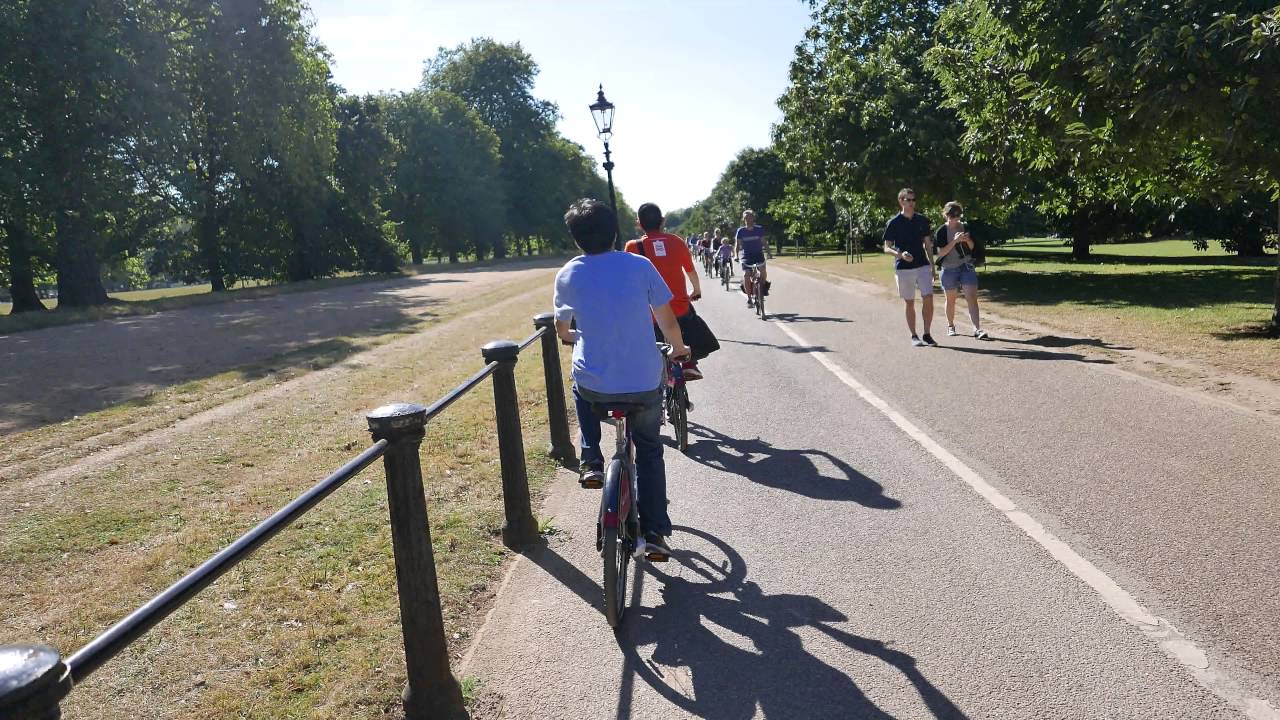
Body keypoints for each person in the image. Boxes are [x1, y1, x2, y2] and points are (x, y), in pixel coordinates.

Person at [554, 199, 689, 558]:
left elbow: (562, 328)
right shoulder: (640, 265)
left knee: (579, 382)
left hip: (596, 386)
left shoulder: (568, 273)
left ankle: (591, 460)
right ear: (615, 232)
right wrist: (678, 349)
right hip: (643, 381)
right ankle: (656, 531)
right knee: (648, 449)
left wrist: (573, 338)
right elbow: (667, 320)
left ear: (575, 238)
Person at [625, 203, 705, 380]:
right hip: (679, 310)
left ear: (639, 223)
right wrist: (696, 290)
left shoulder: (632, 247)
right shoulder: (677, 241)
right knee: (689, 315)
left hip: (651, 315)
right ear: (662, 221)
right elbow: (690, 271)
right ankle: (690, 364)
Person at [882, 188, 937, 347]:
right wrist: (900, 255)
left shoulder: (922, 220)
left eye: (913, 200)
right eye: (908, 200)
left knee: (928, 298)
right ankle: (914, 335)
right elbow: (886, 247)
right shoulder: (893, 223)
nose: (912, 203)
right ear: (901, 201)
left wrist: (932, 266)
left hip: (922, 265)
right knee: (910, 302)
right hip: (904, 267)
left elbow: (927, 244)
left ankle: (927, 334)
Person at [934, 201, 989, 339]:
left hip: (966, 266)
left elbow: (971, 247)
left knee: (971, 296)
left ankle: (977, 329)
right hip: (949, 268)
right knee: (951, 299)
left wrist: (966, 240)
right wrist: (954, 241)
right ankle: (950, 326)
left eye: (957, 216)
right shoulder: (941, 231)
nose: (955, 219)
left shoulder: (965, 227)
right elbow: (941, 253)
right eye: (952, 216)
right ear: (946, 215)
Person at [734, 209, 770, 306]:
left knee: (763, 271)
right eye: (746, 218)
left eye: (750, 217)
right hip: (747, 256)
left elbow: (764, 242)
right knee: (747, 274)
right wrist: (736, 255)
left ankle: (761, 288)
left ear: (753, 218)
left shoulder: (759, 229)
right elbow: (737, 245)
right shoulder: (740, 231)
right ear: (743, 219)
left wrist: (769, 253)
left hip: (758, 255)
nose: (748, 219)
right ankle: (749, 298)